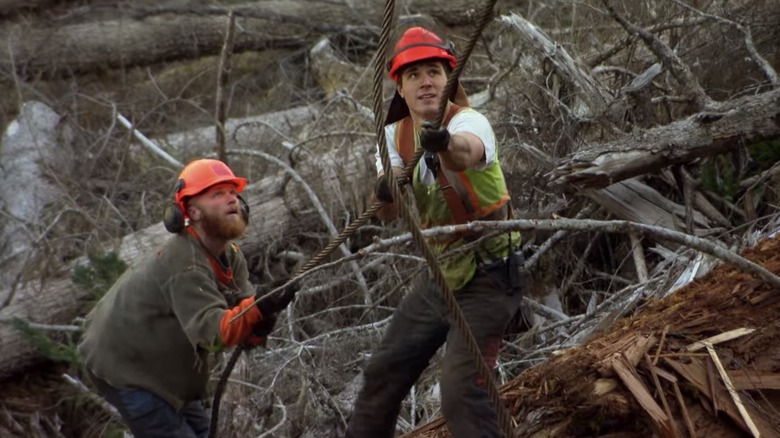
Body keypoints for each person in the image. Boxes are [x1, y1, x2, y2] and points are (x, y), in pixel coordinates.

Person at [345, 27, 525, 438]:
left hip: (491, 273)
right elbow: (389, 212)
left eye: (434, 72)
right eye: (414, 75)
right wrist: (385, 184)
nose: (426, 81)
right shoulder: (392, 138)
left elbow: (465, 153)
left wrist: (443, 142)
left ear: (449, 82)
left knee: (462, 389)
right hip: (442, 275)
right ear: (401, 89)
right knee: (381, 376)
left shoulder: (470, 121)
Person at [78, 158, 295, 438]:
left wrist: (259, 322)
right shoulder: (185, 263)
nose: (231, 200)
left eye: (232, 192)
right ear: (192, 211)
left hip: (167, 370)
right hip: (124, 369)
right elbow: (214, 336)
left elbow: (243, 311)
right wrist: (256, 309)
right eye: (217, 194)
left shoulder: (230, 256)